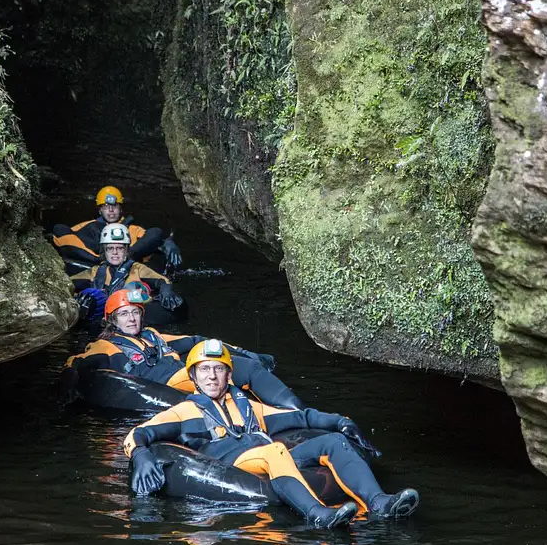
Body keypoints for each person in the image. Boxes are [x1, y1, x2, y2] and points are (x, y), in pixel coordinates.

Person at [122, 340, 420, 528]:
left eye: (218, 369)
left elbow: (298, 417)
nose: (212, 376)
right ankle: (318, 514)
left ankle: (380, 503)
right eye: (204, 370)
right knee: (273, 451)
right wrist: (141, 454)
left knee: (333, 442)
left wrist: (340, 421)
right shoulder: (184, 411)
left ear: (229, 374)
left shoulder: (248, 405)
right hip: (231, 462)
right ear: (193, 377)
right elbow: (137, 434)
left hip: (264, 455)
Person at [66, 289, 301, 409]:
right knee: (235, 371)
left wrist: (248, 352)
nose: (131, 319)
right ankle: (292, 412)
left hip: (187, 376)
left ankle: (290, 410)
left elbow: (195, 339)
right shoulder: (105, 346)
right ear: (112, 320)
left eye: (136, 312)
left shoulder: (153, 335)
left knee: (237, 365)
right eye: (124, 314)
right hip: (165, 388)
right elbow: (76, 362)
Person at [53, 185, 182, 273]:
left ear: (120, 208)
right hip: (93, 263)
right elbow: (60, 236)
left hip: (129, 265)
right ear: (99, 209)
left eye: (114, 206)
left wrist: (167, 242)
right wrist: (98, 260)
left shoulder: (132, 229)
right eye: (106, 206)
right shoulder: (87, 227)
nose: (110, 210)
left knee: (156, 232)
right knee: (59, 229)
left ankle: (126, 257)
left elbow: (154, 236)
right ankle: (100, 260)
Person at [72, 223, 184, 319]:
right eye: (110, 248)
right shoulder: (95, 272)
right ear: (104, 251)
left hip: (131, 317)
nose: (115, 252)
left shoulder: (137, 268)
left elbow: (162, 281)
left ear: (126, 250)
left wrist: (166, 290)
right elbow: (68, 283)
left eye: (120, 248)